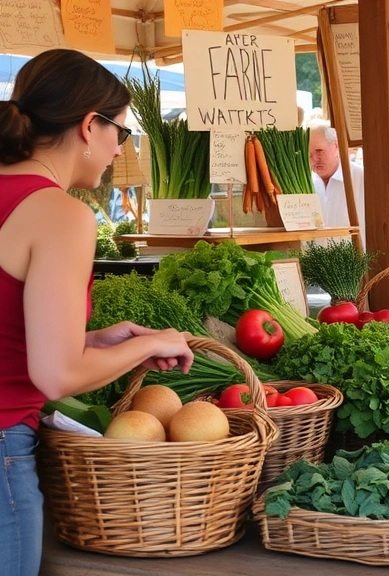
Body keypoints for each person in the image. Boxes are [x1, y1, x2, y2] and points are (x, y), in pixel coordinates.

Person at [0, 49, 194, 574]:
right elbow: (56, 375)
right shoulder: (61, 214)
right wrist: (149, 343)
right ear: (90, 125)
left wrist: (94, 340)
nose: (117, 150)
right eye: (121, 133)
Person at [308, 121, 366, 240]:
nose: (315, 159)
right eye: (309, 155)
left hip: (356, 257)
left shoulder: (361, 178)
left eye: (319, 151)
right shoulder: (306, 184)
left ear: (336, 147)